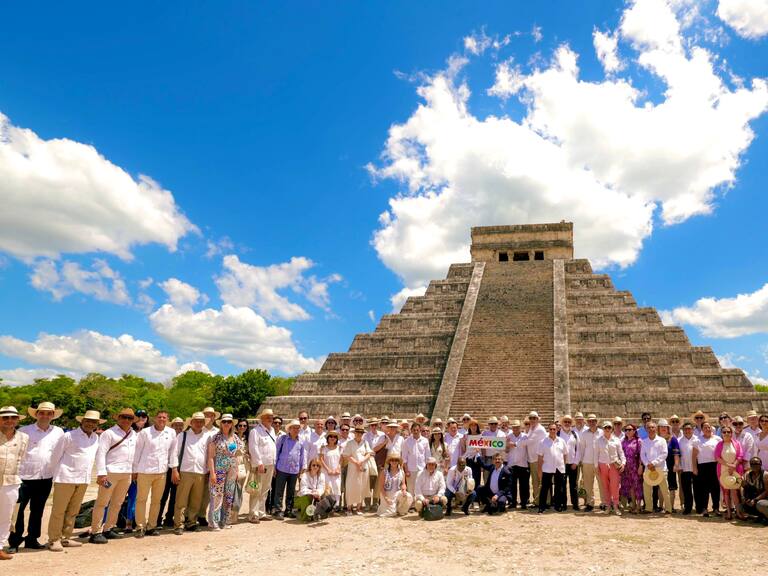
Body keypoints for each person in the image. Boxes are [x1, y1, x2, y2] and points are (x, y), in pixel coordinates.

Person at [9, 401, 64, 553]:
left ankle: (32, 539)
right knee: (17, 511)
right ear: (37, 414)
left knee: (38, 510)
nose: (45, 416)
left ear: (53, 416)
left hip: (46, 477)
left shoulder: (59, 432)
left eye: (49, 413)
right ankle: (14, 541)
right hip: (23, 477)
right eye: (42, 413)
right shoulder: (24, 431)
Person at [46, 410, 102, 551]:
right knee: (59, 510)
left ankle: (66, 538)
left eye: (93, 422)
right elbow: (55, 456)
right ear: (81, 421)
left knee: (73, 510)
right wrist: (54, 473)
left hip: (83, 478)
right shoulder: (69, 436)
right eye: (88, 420)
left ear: (97, 424)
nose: (90, 424)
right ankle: (54, 540)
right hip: (65, 477)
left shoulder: (95, 438)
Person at [89, 407, 137, 544]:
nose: (126, 420)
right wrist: (101, 473)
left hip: (126, 473)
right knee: (102, 502)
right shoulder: (108, 433)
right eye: (124, 417)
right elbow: (101, 454)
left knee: (117, 502)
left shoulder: (134, 434)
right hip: (110, 473)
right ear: (118, 418)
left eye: (130, 418)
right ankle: (95, 531)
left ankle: (109, 528)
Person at [132, 410, 175, 537]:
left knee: (157, 501)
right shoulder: (145, 433)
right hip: (144, 471)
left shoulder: (171, 432)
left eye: (164, 417)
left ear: (167, 419)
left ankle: (152, 526)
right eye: (159, 417)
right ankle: (140, 526)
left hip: (162, 472)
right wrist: (135, 471)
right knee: (141, 500)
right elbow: (137, 452)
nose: (162, 419)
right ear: (155, 418)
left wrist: (174, 469)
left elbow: (173, 452)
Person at [169, 412, 209, 535]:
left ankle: (191, 522)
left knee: (196, 500)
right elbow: (174, 453)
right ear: (191, 422)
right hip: (185, 471)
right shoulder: (182, 435)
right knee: (181, 500)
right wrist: (174, 470)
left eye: (201, 421)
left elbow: (208, 455)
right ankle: (179, 524)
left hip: (200, 471)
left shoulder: (207, 437)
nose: (198, 423)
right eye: (196, 421)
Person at [0, 406, 28, 561]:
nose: (9, 421)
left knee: (5, 517)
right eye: (5, 418)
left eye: (13, 418)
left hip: (11, 482)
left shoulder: (23, 438)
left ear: (17, 420)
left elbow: (21, 458)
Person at [206, 414, 243, 530]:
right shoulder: (216, 438)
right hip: (219, 469)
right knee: (217, 495)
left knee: (229, 495)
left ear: (232, 424)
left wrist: (237, 470)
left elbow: (237, 455)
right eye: (224, 422)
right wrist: (212, 473)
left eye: (229, 422)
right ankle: (214, 522)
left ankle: (225, 520)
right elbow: (211, 457)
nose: (226, 424)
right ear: (221, 424)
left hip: (232, 470)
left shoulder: (236, 438)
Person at [248, 409, 277, 523]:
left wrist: (273, 464)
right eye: (267, 417)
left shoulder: (272, 430)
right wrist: (259, 463)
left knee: (265, 489)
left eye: (271, 417)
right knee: (256, 489)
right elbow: (253, 448)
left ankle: (261, 512)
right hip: (261, 464)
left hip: (270, 463)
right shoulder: (255, 431)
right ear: (262, 418)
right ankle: (253, 514)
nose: (270, 419)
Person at [272, 420, 305, 519]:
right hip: (282, 468)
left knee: (291, 492)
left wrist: (301, 469)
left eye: (297, 428)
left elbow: (302, 456)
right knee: (279, 491)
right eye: (294, 427)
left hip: (294, 470)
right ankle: (277, 510)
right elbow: (276, 453)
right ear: (289, 429)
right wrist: (274, 467)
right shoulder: (283, 439)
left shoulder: (301, 441)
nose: (296, 430)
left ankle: (288, 510)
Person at [157, 417, 185, 528]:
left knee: (174, 496)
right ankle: (158, 518)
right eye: (176, 425)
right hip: (167, 469)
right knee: (163, 495)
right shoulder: (167, 437)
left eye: (180, 425)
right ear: (172, 426)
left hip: (179, 469)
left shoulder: (184, 437)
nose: (178, 427)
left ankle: (169, 518)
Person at [714, 425, 746, 520]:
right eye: (724, 432)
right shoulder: (719, 444)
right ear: (722, 434)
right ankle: (729, 512)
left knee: (735, 491)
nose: (726, 434)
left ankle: (738, 512)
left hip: (735, 469)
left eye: (728, 432)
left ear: (731, 433)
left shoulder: (736, 443)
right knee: (726, 491)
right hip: (723, 470)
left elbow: (740, 456)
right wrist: (729, 465)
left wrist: (734, 465)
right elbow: (717, 457)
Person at [640, 421, 671, 514]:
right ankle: (648, 508)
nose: (651, 429)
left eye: (653, 427)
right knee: (647, 489)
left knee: (665, 490)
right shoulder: (644, 442)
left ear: (656, 428)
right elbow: (642, 455)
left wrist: (653, 463)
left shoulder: (662, 440)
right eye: (649, 428)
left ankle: (668, 509)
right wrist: (647, 464)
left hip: (661, 469)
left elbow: (664, 454)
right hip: (648, 469)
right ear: (646, 429)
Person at [595, 421, 625, 515]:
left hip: (614, 465)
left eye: (609, 427)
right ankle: (608, 506)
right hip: (603, 465)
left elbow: (621, 453)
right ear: (603, 429)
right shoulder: (598, 440)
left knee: (615, 486)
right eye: (605, 428)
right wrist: (596, 467)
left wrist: (623, 463)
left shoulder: (616, 440)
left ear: (611, 429)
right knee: (605, 486)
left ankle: (615, 506)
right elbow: (596, 454)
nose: (607, 429)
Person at [692, 421, 722, 517]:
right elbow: (694, 456)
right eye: (705, 427)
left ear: (711, 428)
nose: (707, 429)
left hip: (715, 465)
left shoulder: (717, 439)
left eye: (708, 427)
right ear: (702, 429)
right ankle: (704, 508)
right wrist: (695, 468)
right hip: (702, 466)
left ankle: (716, 508)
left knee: (715, 488)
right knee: (704, 488)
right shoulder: (697, 440)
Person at [537, 423, 568, 513]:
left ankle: (558, 506)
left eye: (554, 429)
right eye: (551, 429)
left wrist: (563, 465)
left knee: (559, 488)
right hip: (547, 468)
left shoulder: (561, 441)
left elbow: (565, 454)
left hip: (559, 468)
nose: (552, 431)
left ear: (557, 430)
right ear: (548, 430)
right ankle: (541, 507)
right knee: (544, 489)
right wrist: (539, 470)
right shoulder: (543, 442)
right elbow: (540, 457)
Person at [342, 426, 373, 515]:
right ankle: (349, 508)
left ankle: (359, 508)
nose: (359, 434)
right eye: (357, 432)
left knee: (362, 486)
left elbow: (369, 454)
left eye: (361, 433)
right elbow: (346, 455)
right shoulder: (350, 443)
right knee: (350, 487)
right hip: (353, 467)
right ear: (354, 433)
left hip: (363, 467)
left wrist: (361, 461)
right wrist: (356, 462)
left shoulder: (365, 442)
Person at [377, 452, 413, 517]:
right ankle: (392, 508)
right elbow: (381, 487)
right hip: (386, 494)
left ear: (398, 462)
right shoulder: (384, 472)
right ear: (389, 462)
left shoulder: (401, 472)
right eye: (392, 460)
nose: (394, 462)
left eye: (396, 460)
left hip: (397, 494)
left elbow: (403, 484)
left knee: (408, 496)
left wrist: (404, 490)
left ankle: (400, 510)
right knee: (391, 513)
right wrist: (386, 498)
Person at [657, 419, 681, 512]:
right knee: (660, 485)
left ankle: (670, 506)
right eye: (661, 427)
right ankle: (660, 506)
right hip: (660, 465)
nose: (663, 429)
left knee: (671, 486)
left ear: (667, 428)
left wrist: (676, 464)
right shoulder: (656, 439)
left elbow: (676, 453)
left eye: (665, 427)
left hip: (670, 465)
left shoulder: (673, 439)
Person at [559, 415, 581, 510]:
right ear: (562, 423)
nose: (567, 423)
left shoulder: (575, 434)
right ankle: (563, 504)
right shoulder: (558, 434)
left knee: (574, 485)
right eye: (565, 422)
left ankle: (575, 504)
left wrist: (575, 463)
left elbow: (579, 450)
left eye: (569, 422)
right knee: (562, 485)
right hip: (561, 464)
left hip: (572, 464)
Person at [620, 423, 643, 514]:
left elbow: (641, 455)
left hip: (635, 467)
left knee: (637, 486)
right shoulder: (623, 441)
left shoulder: (638, 441)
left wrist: (641, 466)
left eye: (630, 430)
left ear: (634, 431)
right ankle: (633, 505)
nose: (628, 431)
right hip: (626, 468)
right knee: (630, 487)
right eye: (626, 430)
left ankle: (638, 506)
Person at [506, 419, 529, 509]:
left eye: (517, 427)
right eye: (514, 427)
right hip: (512, 464)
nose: (515, 428)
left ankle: (523, 503)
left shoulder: (525, 436)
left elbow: (526, 448)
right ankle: (513, 502)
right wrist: (507, 445)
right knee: (512, 485)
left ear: (520, 428)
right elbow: (506, 450)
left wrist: (514, 444)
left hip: (522, 464)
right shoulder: (508, 436)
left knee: (524, 485)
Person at [579, 414, 600, 511]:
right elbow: (582, 449)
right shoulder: (584, 434)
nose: (592, 423)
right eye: (590, 421)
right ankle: (590, 503)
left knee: (602, 483)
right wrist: (581, 460)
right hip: (587, 461)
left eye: (593, 421)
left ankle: (604, 502)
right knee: (588, 484)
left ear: (597, 422)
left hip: (600, 462)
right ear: (587, 422)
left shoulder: (602, 432)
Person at [526, 411, 548, 507]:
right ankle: (537, 501)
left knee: (541, 481)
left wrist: (514, 444)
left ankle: (545, 501)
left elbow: (528, 441)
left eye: (534, 418)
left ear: (538, 419)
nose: (532, 420)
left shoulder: (540, 429)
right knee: (535, 481)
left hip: (538, 459)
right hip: (532, 459)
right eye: (531, 418)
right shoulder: (531, 428)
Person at [678, 421, 699, 515]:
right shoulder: (679, 440)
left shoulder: (697, 440)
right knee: (686, 490)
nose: (687, 431)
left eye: (689, 429)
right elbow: (677, 455)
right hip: (684, 468)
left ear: (693, 430)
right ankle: (688, 507)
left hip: (696, 468)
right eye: (685, 429)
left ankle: (699, 507)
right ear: (683, 430)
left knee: (698, 489)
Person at [231, 418, 249, 523]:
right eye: (240, 425)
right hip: (235, 465)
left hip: (244, 466)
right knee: (233, 490)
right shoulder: (233, 438)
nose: (242, 427)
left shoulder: (247, 439)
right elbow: (231, 452)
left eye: (244, 426)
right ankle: (231, 514)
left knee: (239, 490)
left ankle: (235, 514)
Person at [403, 422, 429, 495]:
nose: (416, 431)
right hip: (411, 470)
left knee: (422, 489)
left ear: (420, 430)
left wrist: (427, 469)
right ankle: (411, 505)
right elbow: (404, 458)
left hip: (422, 469)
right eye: (414, 430)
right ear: (411, 430)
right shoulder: (406, 441)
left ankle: (420, 505)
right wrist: (406, 470)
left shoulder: (425, 441)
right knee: (411, 490)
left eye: (417, 430)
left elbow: (427, 456)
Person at [741, 456, 768, 521]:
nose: (754, 466)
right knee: (742, 506)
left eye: (756, 464)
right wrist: (745, 498)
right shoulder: (747, 474)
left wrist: (755, 500)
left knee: (760, 504)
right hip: (755, 498)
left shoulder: (765, 475)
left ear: (761, 464)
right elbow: (743, 487)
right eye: (752, 464)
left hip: (764, 499)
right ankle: (762, 516)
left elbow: (767, 491)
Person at [459, 419, 483, 493]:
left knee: (477, 477)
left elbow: (483, 447)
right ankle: (468, 496)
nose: (473, 427)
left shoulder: (481, 436)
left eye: (475, 425)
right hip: (468, 459)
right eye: (471, 425)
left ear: (477, 426)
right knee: (468, 477)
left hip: (477, 459)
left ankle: (476, 497)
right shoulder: (465, 436)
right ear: (469, 427)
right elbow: (463, 449)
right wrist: (463, 441)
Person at [319, 430, 342, 504]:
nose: (333, 438)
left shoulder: (340, 448)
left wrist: (338, 468)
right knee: (327, 490)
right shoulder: (324, 448)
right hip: (326, 473)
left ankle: (335, 507)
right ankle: (327, 507)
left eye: (335, 437)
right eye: (331, 436)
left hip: (336, 473)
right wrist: (328, 469)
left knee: (336, 488)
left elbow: (341, 460)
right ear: (328, 438)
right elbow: (321, 459)